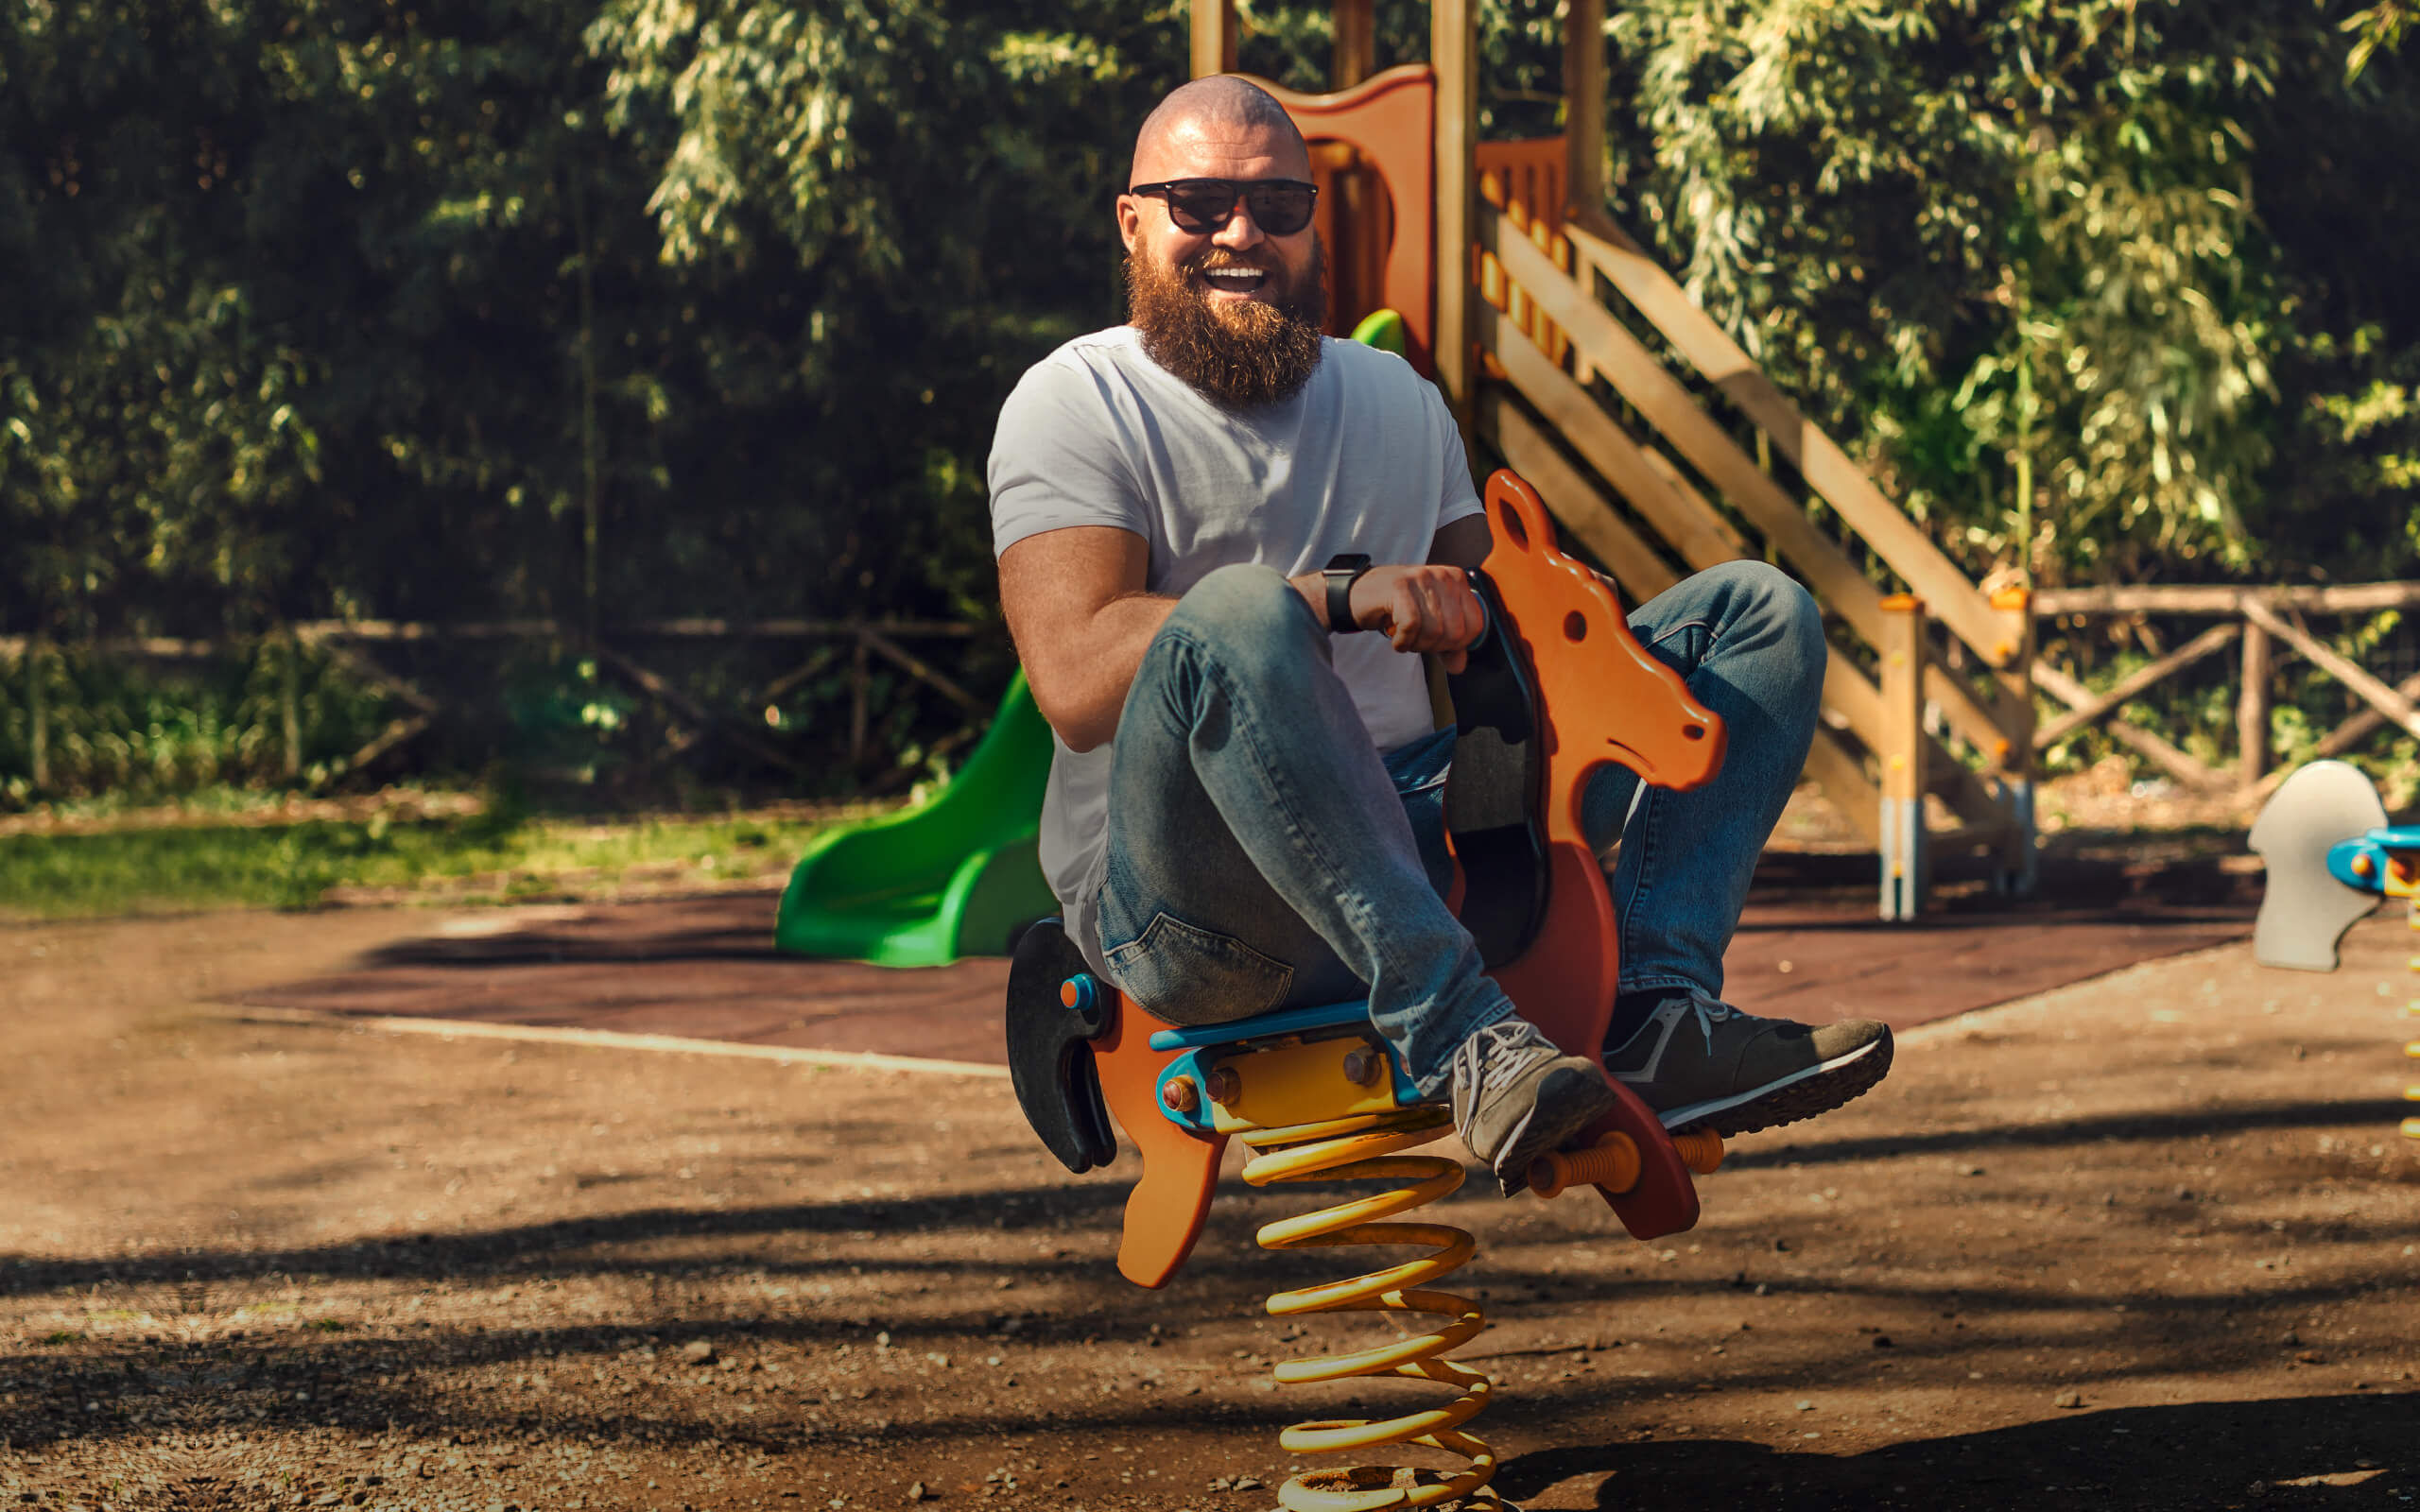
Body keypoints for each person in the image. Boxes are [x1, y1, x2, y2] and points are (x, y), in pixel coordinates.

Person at [988, 75, 1892, 1191]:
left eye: (1277, 206)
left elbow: (1507, 628)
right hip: (1193, 903)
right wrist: (1331, 594)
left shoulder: (1396, 398)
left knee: (1758, 612)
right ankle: (1464, 1037)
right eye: (1198, 203)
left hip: (1416, 832)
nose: (1240, 234)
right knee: (1239, 607)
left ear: (1316, 221)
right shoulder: (1075, 400)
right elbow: (1074, 680)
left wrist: (1573, 623)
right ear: (1132, 220)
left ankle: (1656, 1013)